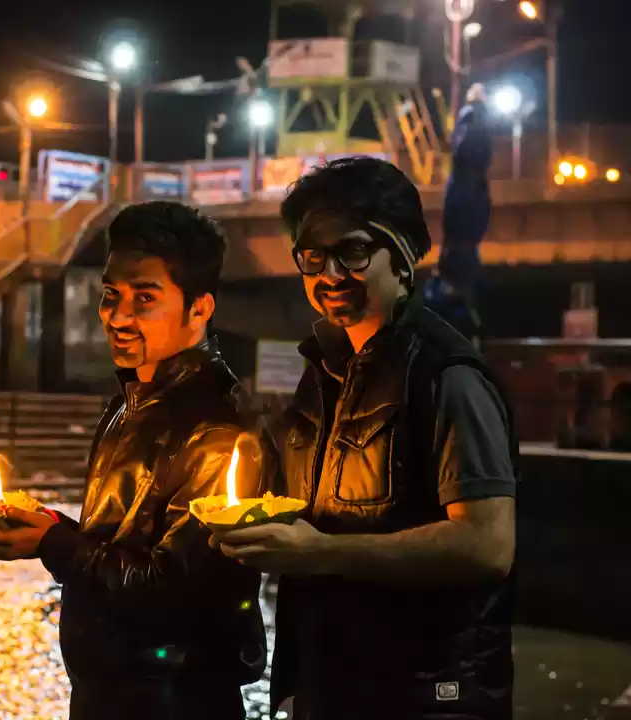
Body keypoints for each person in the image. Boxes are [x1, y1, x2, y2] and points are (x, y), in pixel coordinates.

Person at [213, 157, 519, 720]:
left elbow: (487, 545)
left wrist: (322, 553)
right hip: (333, 687)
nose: (330, 274)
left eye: (352, 252)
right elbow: (303, 509)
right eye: (312, 256)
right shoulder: (323, 373)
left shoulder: (446, 376)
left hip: (426, 698)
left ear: (401, 260)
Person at [0, 201, 269, 720]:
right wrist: (37, 527)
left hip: (176, 702)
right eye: (110, 295)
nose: (118, 317)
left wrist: (52, 542)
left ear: (199, 308)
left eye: (145, 299)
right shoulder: (130, 403)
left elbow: (179, 593)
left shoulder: (217, 428)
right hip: (112, 695)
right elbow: (125, 542)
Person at [435, 82, 494, 336]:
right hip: (471, 207)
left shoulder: (468, 122)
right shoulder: (482, 127)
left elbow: (462, 152)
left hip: (463, 206)